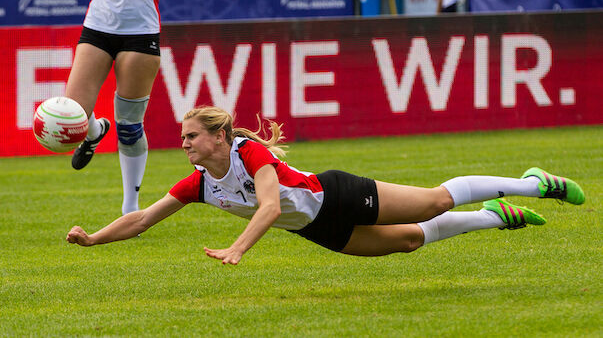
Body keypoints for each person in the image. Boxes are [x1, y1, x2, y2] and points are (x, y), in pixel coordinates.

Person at [66, 106, 586, 265]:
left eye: (191, 137)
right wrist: (93, 238)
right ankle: (496, 217)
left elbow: (269, 206)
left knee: (434, 202)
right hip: (315, 228)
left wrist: (237, 248)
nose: (184, 145)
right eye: (182, 138)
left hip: (334, 193)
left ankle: (531, 183)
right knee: (406, 240)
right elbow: (141, 218)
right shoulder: (199, 184)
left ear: (220, 136)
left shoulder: (250, 152)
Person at [65, 0, 161, 215]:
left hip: (141, 30)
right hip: (98, 25)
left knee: (129, 126)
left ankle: (130, 209)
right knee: (74, 113)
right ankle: (95, 132)